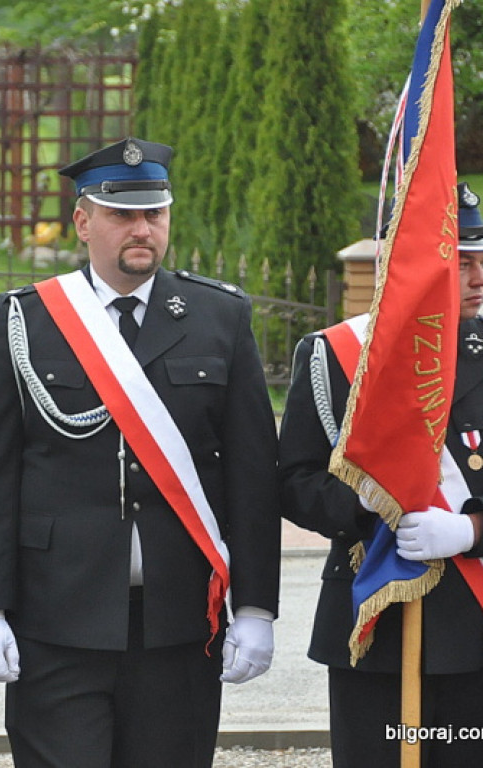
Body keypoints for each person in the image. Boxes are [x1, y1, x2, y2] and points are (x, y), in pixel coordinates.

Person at [0, 137, 281, 768]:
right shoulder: (26, 320)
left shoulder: (218, 316)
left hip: (180, 618)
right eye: (122, 214)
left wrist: (255, 605)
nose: (141, 229)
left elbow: (251, 476)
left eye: (154, 213)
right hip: (56, 616)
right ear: (83, 222)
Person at [278, 180, 483, 767]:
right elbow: (295, 482)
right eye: (460, 262)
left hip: (475, 620)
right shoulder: (336, 355)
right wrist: (368, 499)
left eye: (482, 260)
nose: (478, 277)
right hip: (374, 621)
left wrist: (470, 531)